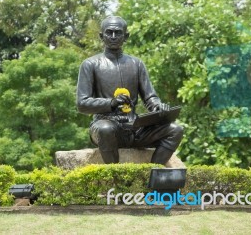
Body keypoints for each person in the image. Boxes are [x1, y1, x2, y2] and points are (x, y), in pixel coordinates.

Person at [76, 16, 183, 165]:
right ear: (101, 36)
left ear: (126, 36)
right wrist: (111, 103)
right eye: (109, 32)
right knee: (105, 129)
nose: (113, 36)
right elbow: (82, 103)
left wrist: (158, 106)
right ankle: (115, 178)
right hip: (106, 126)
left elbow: (150, 97)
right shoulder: (90, 65)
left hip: (135, 127)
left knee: (175, 130)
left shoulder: (137, 64)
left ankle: (153, 173)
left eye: (118, 33)